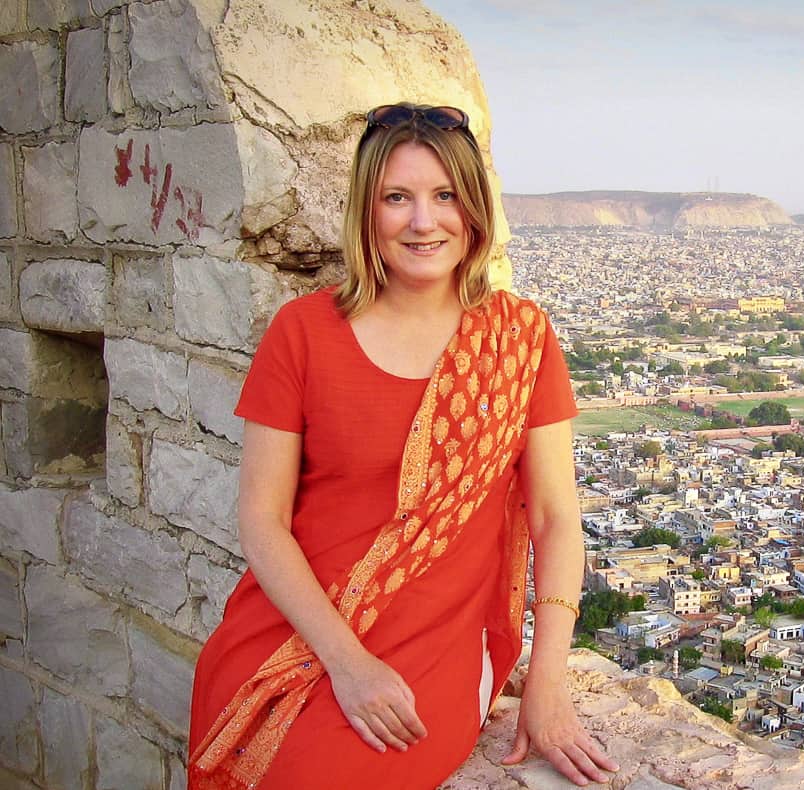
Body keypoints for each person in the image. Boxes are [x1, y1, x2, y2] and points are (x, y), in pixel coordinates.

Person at [188, 103, 618, 789]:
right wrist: (347, 663)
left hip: (433, 644)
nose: (424, 222)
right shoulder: (301, 334)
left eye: (445, 195)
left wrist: (547, 684)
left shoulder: (519, 339)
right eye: (397, 197)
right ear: (368, 209)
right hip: (296, 628)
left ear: (473, 209)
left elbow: (555, 519)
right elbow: (262, 520)